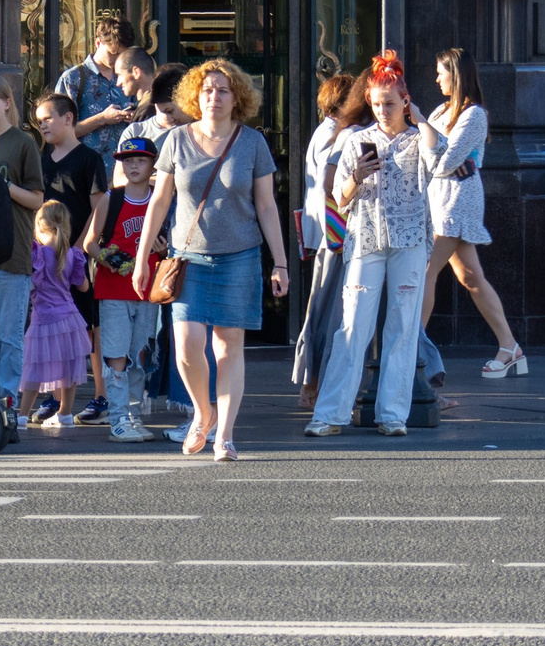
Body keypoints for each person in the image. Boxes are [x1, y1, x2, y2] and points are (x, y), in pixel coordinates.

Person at [135, 58, 287, 461]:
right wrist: (140, 257)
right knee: (187, 346)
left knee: (228, 347)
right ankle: (204, 413)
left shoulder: (252, 143)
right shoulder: (177, 140)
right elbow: (160, 201)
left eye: (222, 90)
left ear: (236, 97)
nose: (213, 97)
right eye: (206, 89)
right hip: (189, 259)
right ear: (194, 96)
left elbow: (267, 206)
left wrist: (281, 263)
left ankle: (225, 434)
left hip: (239, 258)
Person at [310, 54, 437, 439]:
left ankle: (393, 414)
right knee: (352, 327)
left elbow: (441, 158)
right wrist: (357, 176)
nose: (382, 110)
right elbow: (339, 198)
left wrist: (420, 117)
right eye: (377, 103)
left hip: (410, 239)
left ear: (405, 101)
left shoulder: (419, 139)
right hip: (366, 239)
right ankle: (331, 413)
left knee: (403, 326)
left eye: (391, 103)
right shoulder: (356, 140)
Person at [419, 48, 527, 377]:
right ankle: (510, 347)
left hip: (456, 200)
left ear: (457, 74)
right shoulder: (439, 112)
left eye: (442, 72)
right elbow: (429, 160)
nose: (437, 78)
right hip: (438, 197)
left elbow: (442, 162)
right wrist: (436, 147)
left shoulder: (473, 114)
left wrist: (429, 137)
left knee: (424, 272)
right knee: (470, 277)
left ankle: (412, 350)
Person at [0, 74, 45, 419]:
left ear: (6, 103)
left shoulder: (22, 142)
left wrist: (4, 186)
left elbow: (36, 200)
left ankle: (8, 405)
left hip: (13, 249)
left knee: (10, 335)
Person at [288, 73, 363, 413]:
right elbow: (329, 184)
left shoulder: (325, 131)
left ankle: (311, 382)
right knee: (328, 311)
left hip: (325, 230)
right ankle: (314, 384)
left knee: (320, 308)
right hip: (340, 232)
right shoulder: (344, 133)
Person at [33, 92, 108, 421]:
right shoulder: (40, 159)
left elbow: (99, 208)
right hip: (45, 261)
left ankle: (101, 395)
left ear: (68, 118)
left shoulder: (90, 159)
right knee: (48, 325)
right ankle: (51, 395)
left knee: (87, 326)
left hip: (76, 259)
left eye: (48, 117)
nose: (42, 124)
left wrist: (78, 247)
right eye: (39, 119)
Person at [90, 136, 166, 442]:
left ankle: (133, 415)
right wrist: (113, 260)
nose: (134, 166)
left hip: (149, 291)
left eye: (141, 160)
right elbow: (90, 243)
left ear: (153, 164)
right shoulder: (113, 198)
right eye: (128, 161)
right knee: (116, 355)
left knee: (140, 355)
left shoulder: (161, 200)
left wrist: (163, 248)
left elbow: (171, 248)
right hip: (114, 290)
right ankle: (118, 418)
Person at [19, 201, 93, 425]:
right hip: (70, 319)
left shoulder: (37, 253)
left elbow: (31, 284)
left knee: (34, 369)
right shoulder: (72, 254)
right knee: (69, 369)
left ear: (40, 227)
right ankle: (65, 414)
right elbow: (83, 286)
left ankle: (22, 416)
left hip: (44, 320)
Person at [56, 15, 142, 155]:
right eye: (112, 53)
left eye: (122, 55)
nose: (117, 59)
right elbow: (59, 132)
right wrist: (102, 118)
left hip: (126, 168)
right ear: (98, 43)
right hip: (86, 170)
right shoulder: (72, 79)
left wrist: (134, 117)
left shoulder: (130, 76)